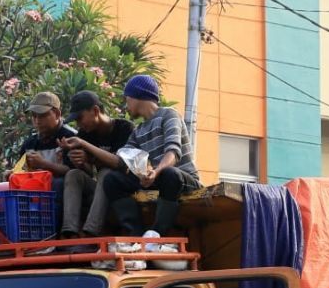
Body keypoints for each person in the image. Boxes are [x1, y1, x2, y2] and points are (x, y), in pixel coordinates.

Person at [92, 74, 200, 241]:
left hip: (182, 179)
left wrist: (156, 172)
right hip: (157, 179)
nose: (126, 105)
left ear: (137, 97)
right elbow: (122, 158)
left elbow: (174, 152)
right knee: (112, 180)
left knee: (170, 174)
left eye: (127, 99)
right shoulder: (138, 131)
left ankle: (156, 235)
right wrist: (87, 151)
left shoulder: (169, 115)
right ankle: (134, 234)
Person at [57, 90, 134, 238]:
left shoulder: (125, 128)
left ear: (95, 111)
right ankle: (69, 231)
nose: (79, 124)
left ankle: (91, 231)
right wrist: (80, 162)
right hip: (99, 190)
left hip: (122, 189)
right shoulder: (85, 133)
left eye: (80, 118)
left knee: (106, 173)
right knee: (73, 174)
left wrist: (85, 146)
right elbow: (88, 172)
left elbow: (121, 165)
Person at [14, 92, 77, 235]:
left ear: (56, 113)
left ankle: (56, 234)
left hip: (64, 193)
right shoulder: (29, 143)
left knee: (57, 184)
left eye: (42, 115)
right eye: (34, 116)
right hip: (36, 194)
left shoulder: (70, 137)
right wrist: (12, 175)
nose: (37, 121)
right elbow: (21, 171)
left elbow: (75, 174)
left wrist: (44, 164)